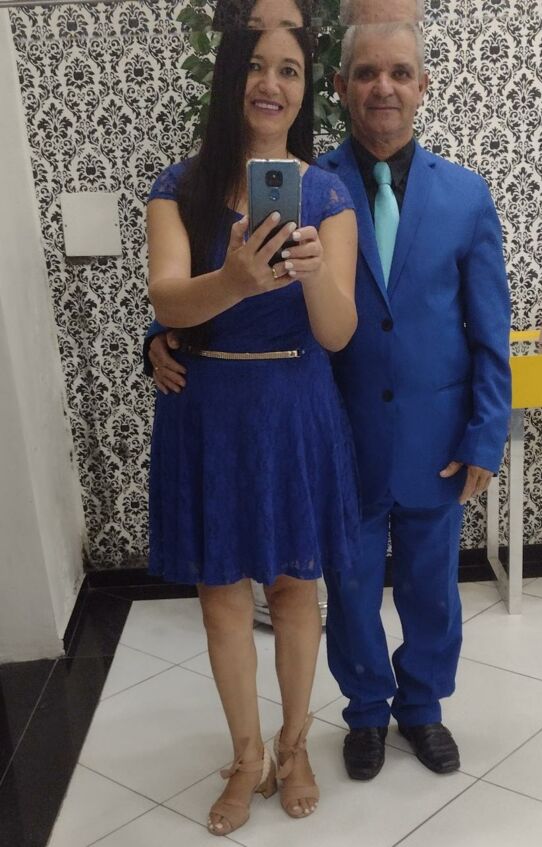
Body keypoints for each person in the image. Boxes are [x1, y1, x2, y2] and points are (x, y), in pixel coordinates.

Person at [148, 19, 511, 783]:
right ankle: (366, 712)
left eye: (401, 73)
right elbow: (208, 284)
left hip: (435, 434)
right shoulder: (312, 180)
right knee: (346, 590)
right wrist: (160, 335)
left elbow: (489, 326)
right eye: (367, 72)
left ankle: (423, 706)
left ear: (422, 87)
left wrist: (487, 431)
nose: (385, 87)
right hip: (337, 430)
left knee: (432, 588)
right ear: (340, 87)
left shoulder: (464, 195)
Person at [145, 6, 358, 837]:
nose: (272, 83)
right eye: (257, 65)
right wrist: (234, 278)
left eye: (290, 70)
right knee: (221, 597)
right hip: (211, 411)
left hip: (294, 405)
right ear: (230, 74)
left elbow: (337, 332)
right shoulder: (180, 187)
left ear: (306, 91)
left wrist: (311, 272)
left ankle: (294, 744)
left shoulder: (328, 193)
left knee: (297, 588)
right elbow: (168, 299)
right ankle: (246, 757)